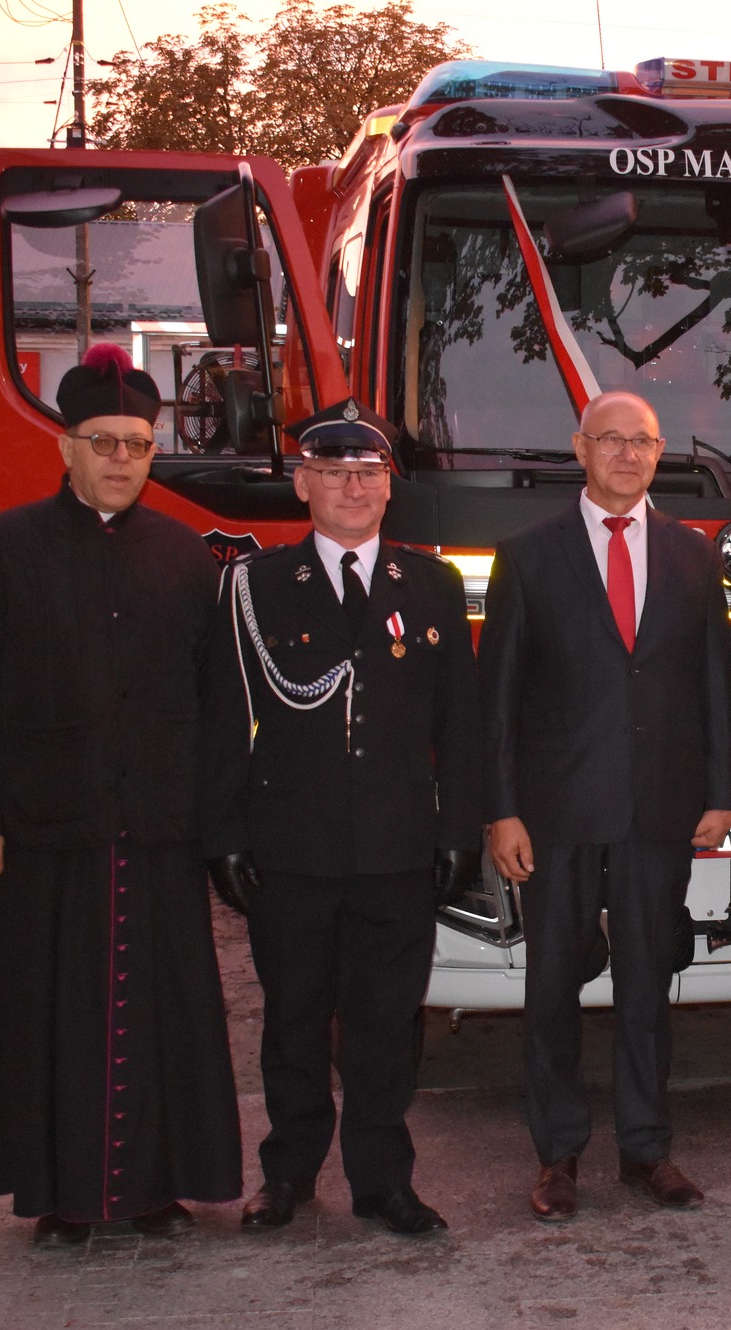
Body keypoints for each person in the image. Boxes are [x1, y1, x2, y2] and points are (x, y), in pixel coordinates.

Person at [0, 345, 241, 1247]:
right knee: (51, 1018)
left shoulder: (184, 556)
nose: (120, 458)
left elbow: (217, 705)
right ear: (66, 446)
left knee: (163, 1018)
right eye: (102, 441)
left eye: (137, 444)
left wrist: (216, 824)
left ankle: (157, 1188)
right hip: (47, 833)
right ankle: (60, 1196)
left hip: (157, 831)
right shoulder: (5, 548)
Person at [203, 401, 483, 1238]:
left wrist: (458, 832)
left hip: (397, 845)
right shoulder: (254, 586)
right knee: (293, 1017)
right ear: (303, 484)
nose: (352, 488)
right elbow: (225, 719)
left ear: (389, 487)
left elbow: (459, 726)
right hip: (291, 845)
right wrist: (224, 836)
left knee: (387, 1025)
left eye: (368, 473)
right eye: (333, 471)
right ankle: (287, 1172)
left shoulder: (431, 585)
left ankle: (383, 1180)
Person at [478, 390, 731, 1221]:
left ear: (659, 452)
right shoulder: (527, 555)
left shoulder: (693, 554)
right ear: (580, 447)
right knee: (552, 985)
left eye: (643, 441)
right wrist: (501, 809)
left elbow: (713, 679)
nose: (628, 454)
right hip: (554, 812)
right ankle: (557, 1153)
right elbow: (498, 698)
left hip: (658, 807)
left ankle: (646, 1148)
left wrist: (724, 791)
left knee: (646, 983)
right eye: (612, 439)